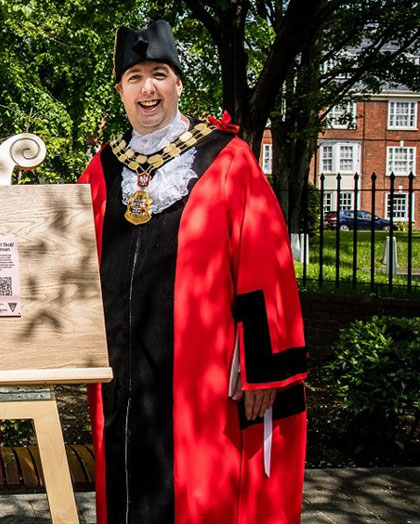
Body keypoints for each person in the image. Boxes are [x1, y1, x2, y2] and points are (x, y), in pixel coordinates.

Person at [78, 20, 308, 524]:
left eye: (159, 75)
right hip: (119, 372)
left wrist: (261, 367)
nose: (148, 88)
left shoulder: (227, 160)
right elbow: (70, 264)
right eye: (135, 77)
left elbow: (265, 263)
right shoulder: (101, 171)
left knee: (201, 491)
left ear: (178, 84)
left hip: (202, 378)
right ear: (120, 90)